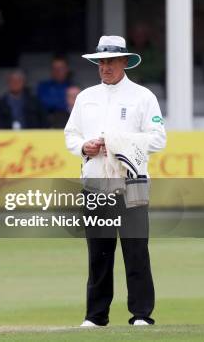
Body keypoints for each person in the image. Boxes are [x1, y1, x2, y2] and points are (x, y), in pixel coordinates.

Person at [64, 35, 167, 327]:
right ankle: (96, 316)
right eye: (101, 62)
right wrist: (85, 147)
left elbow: (158, 138)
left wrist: (117, 144)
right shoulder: (86, 97)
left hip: (132, 180)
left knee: (136, 249)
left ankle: (141, 314)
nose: (105, 67)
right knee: (99, 251)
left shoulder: (143, 97)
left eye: (111, 61)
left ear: (124, 62)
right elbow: (71, 135)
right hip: (96, 181)